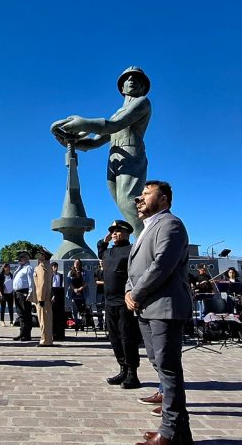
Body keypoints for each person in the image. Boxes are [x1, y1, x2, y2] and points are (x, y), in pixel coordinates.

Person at [125, 180, 194, 445]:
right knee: (159, 363)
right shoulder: (146, 228)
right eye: (139, 195)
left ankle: (170, 433)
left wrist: (136, 293)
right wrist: (129, 292)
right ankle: (180, 432)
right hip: (146, 307)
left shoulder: (170, 224)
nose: (138, 199)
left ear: (164, 199)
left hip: (164, 307)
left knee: (168, 369)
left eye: (146, 194)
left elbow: (161, 264)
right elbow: (136, 268)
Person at [51, 67, 153, 236]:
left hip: (131, 152)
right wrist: (72, 142)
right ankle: (143, 239)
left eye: (137, 78)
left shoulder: (142, 102)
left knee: (128, 201)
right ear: (121, 88)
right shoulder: (117, 113)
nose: (132, 80)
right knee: (122, 204)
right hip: (114, 157)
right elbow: (94, 142)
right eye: (127, 78)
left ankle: (150, 239)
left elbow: (113, 126)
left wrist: (84, 123)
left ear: (143, 87)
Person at [97, 219, 142, 390]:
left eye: (118, 231)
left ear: (127, 233)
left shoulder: (131, 250)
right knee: (115, 338)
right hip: (109, 302)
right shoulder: (108, 252)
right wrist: (107, 238)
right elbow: (100, 247)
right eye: (112, 231)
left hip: (125, 302)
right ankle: (122, 368)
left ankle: (132, 373)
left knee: (127, 338)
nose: (114, 234)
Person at [30, 249, 54, 347]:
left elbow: (42, 284)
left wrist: (40, 299)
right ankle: (48, 339)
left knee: (43, 320)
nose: (38, 256)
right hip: (47, 297)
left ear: (43, 256)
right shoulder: (49, 266)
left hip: (42, 298)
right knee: (47, 320)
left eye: (40, 254)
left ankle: (45, 340)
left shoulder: (41, 267)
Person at [11, 251, 35, 341]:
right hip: (17, 293)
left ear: (26, 259)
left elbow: (31, 282)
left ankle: (27, 334)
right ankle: (22, 333)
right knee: (20, 314)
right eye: (19, 258)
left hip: (24, 293)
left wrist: (30, 293)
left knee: (26, 314)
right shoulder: (20, 268)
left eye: (21, 258)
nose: (19, 259)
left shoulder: (28, 268)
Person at [68, 258, 94, 330]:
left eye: (78, 263)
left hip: (82, 293)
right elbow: (69, 283)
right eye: (75, 263)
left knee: (82, 310)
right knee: (74, 310)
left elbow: (86, 283)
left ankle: (82, 324)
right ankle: (76, 324)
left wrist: (79, 289)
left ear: (80, 264)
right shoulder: (70, 272)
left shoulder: (84, 272)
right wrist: (75, 289)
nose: (76, 264)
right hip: (73, 293)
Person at [51, 262, 67, 341]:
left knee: (59, 315)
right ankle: (53, 333)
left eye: (56, 266)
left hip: (59, 294)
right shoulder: (49, 276)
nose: (55, 268)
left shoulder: (60, 275)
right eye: (54, 266)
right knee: (53, 315)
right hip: (52, 293)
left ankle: (60, 333)